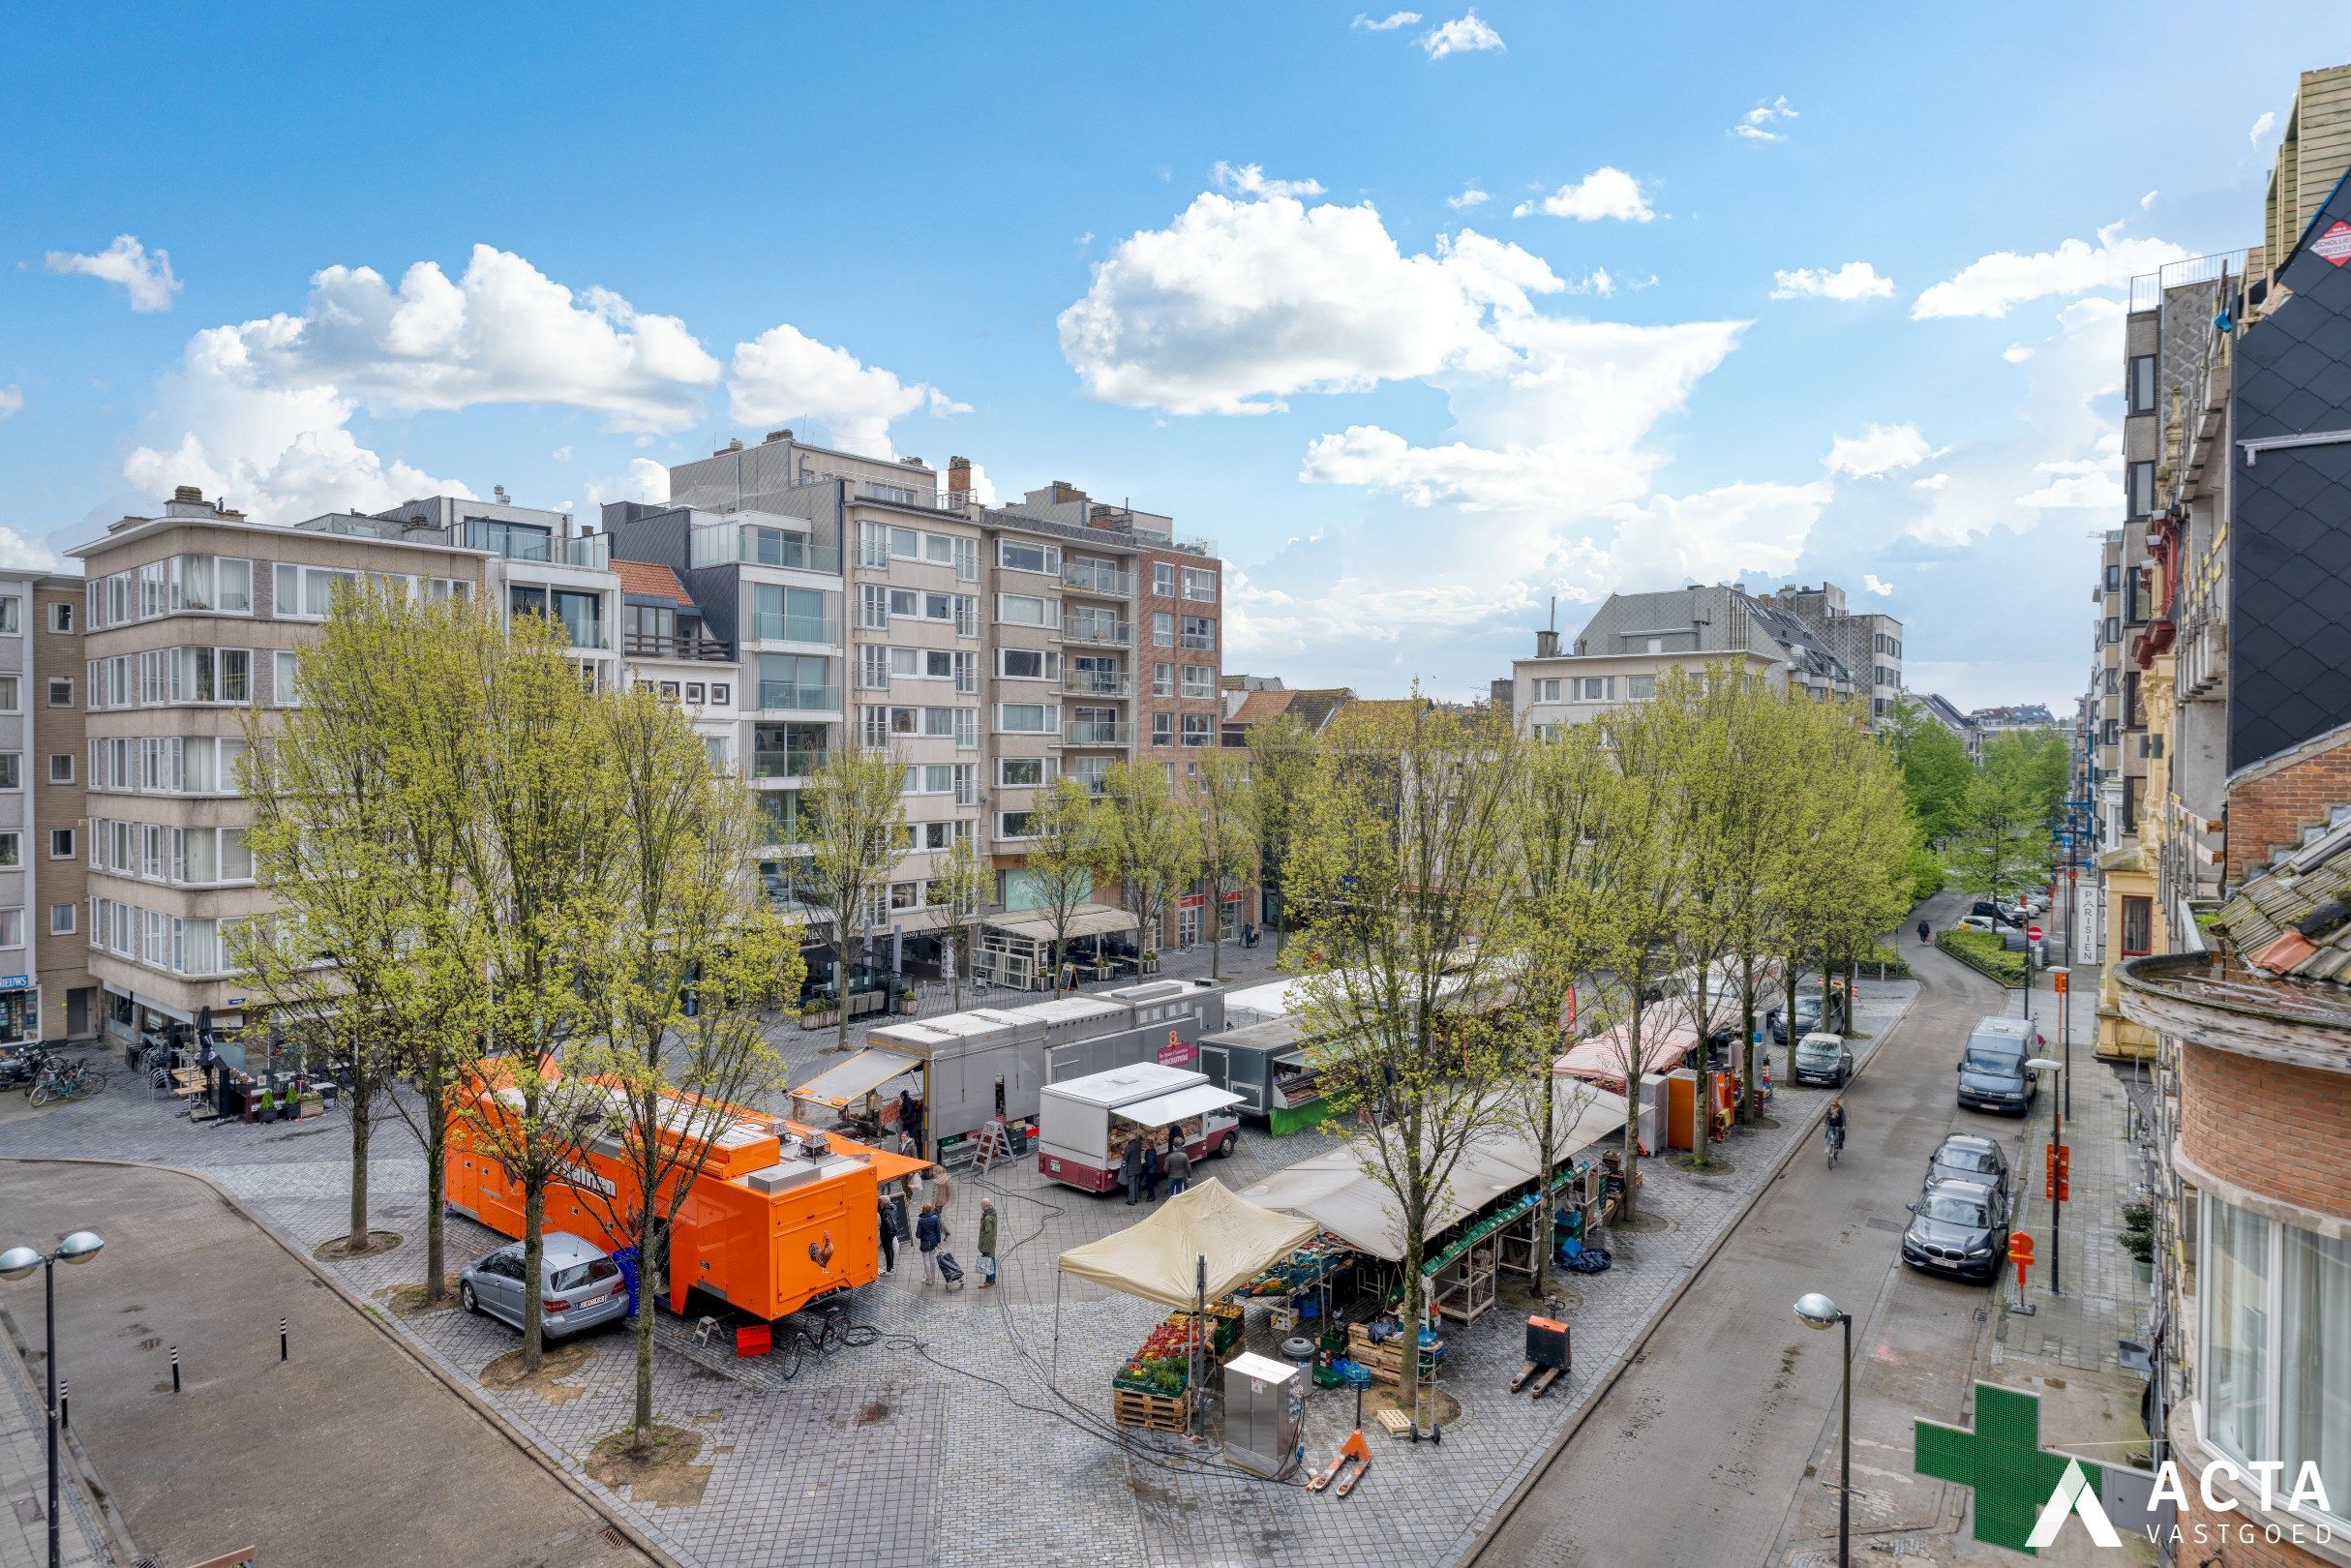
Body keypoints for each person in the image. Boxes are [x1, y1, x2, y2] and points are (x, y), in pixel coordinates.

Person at [916, 1203, 943, 1284]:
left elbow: (918, 1235)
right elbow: (938, 1231)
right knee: (932, 1259)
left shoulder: (921, 1220)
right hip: (933, 1241)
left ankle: (929, 1279)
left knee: (926, 1260)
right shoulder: (935, 1217)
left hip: (925, 1242)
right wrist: (939, 1241)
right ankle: (933, 1278)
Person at [977, 1196, 999, 1288]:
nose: (980, 1205)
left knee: (987, 1261)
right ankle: (992, 1279)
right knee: (992, 1260)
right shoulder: (992, 1212)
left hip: (988, 1244)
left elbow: (987, 1234)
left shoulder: (987, 1218)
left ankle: (989, 1281)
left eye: (981, 1203)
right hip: (992, 1242)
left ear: (985, 1206)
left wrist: (984, 1247)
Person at [1164, 1131, 1191, 1198]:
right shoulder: (1184, 1154)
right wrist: (1189, 1176)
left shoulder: (1169, 1156)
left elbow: (1166, 1169)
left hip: (1172, 1176)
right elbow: (1188, 1167)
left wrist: (1168, 1173)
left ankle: (1171, 1204)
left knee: (1171, 1191)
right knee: (1179, 1191)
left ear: (1174, 1146)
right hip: (1181, 1175)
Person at [876, 1196, 898, 1275]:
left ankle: (889, 1270)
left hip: (887, 1234)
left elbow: (888, 1224)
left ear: (883, 1203)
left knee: (888, 1251)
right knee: (891, 1249)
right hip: (893, 1232)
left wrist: (888, 1235)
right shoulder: (893, 1207)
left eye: (880, 1202)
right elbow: (896, 1218)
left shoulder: (885, 1212)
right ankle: (891, 1267)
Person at [1120, 1133, 1143, 1206]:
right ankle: (1136, 1198)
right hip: (1138, 1167)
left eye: (1127, 1137)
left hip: (1131, 1169)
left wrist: (1122, 1154)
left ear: (1129, 1139)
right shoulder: (1138, 1144)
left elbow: (1125, 1158)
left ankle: (1131, 1200)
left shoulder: (1129, 1147)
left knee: (1131, 1185)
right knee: (1136, 1183)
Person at [1142, 1134, 1163, 1202]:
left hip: (1150, 1170)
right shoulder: (1152, 1150)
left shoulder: (1150, 1152)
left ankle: (1151, 1196)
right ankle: (1150, 1195)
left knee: (1149, 1184)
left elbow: (1150, 1163)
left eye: (1145, 1144)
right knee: (1150, 1183)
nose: (1144, 1145)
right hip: (1152, 1170)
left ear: (1148, 1145)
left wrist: (1144, 1163)